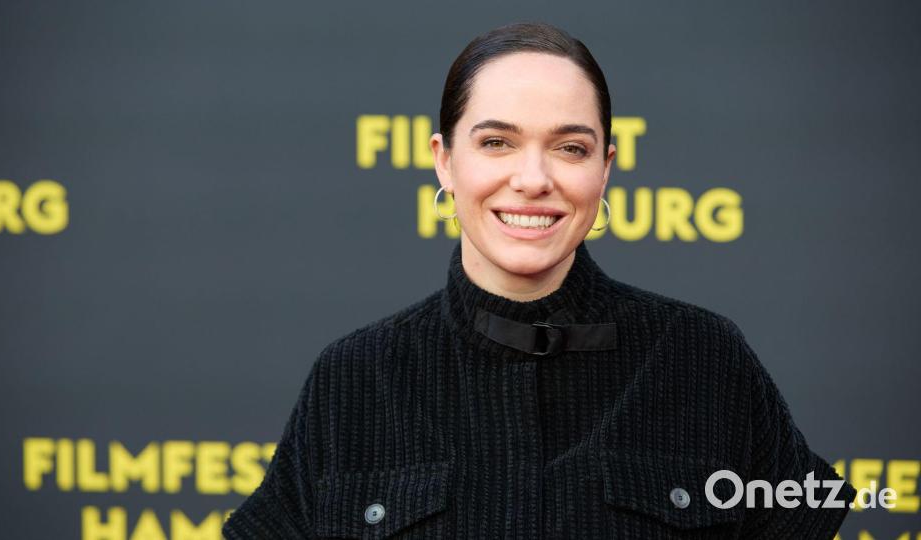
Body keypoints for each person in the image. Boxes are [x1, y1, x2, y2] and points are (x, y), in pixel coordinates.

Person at [223, 22, 856, 539]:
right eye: (496, 142)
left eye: (570, 148)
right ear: (444, 161)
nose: (532, 178)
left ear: (605, 168)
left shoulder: (703, 356)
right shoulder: (357, 376)